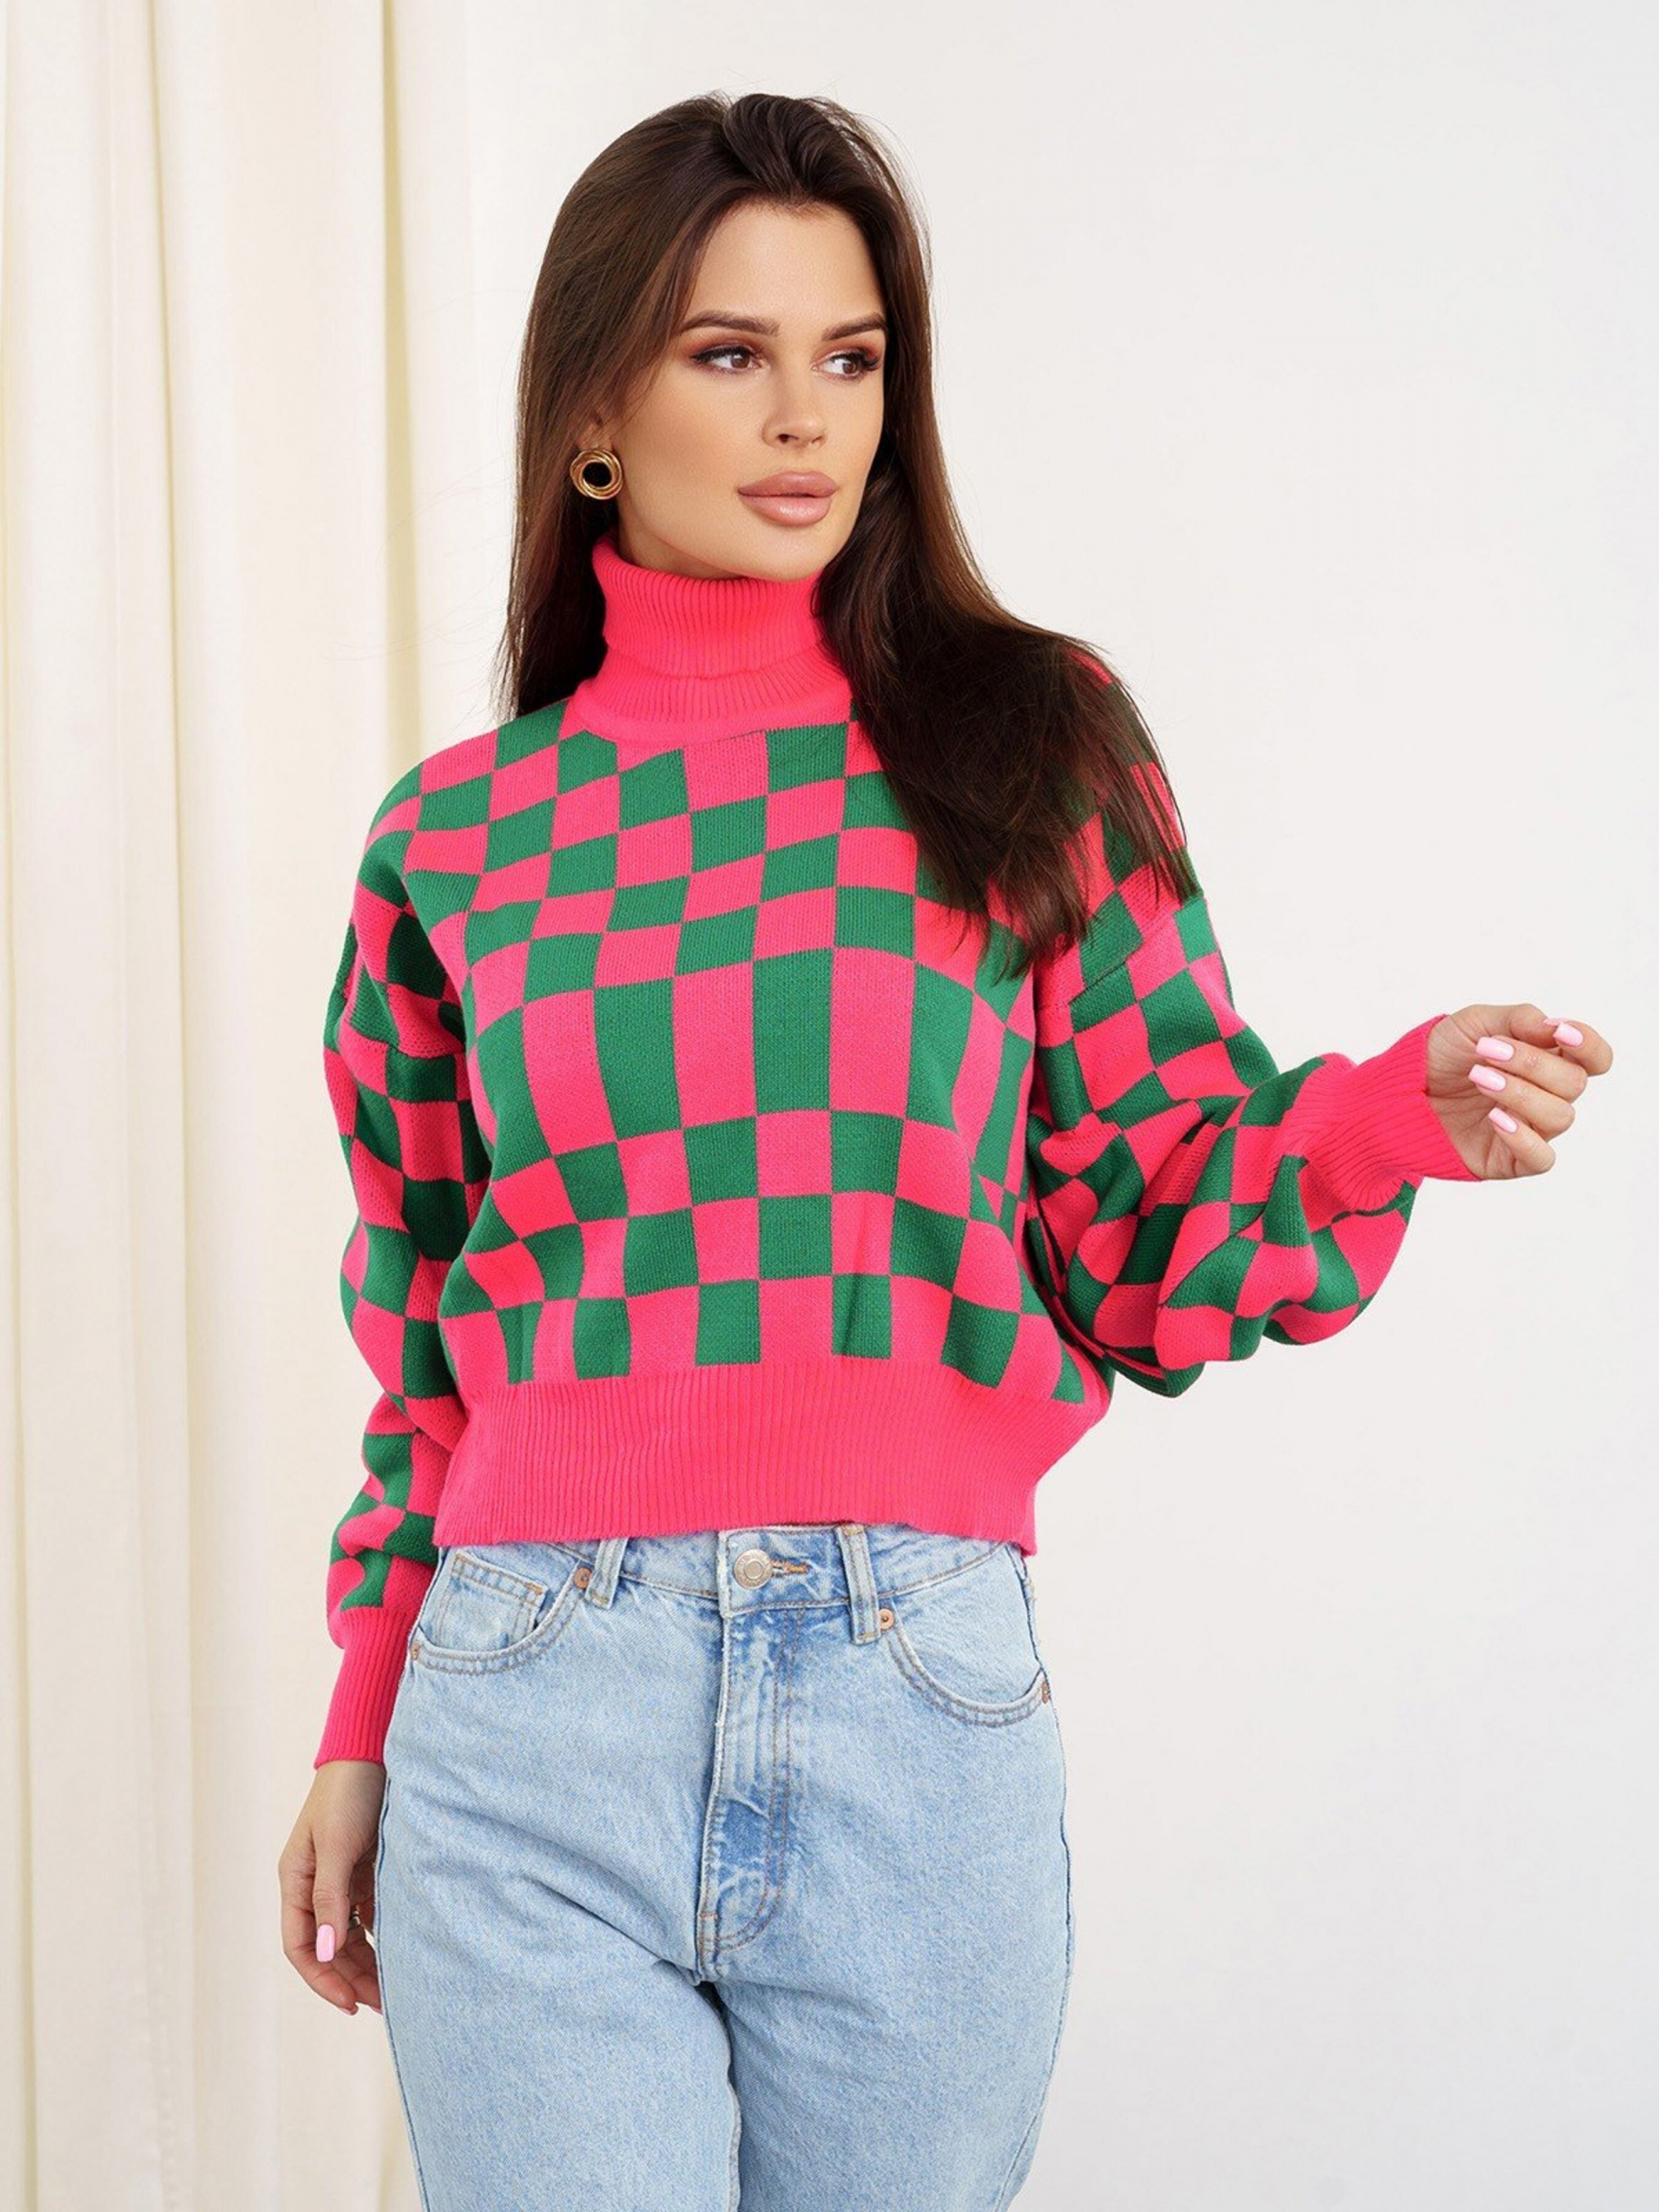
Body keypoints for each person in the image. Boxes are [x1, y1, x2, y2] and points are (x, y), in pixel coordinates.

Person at [276, 89, 1610, 2211]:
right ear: (595, 414)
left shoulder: (1027, 743)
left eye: (852, 354)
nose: (806, 416)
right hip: (525, 1709)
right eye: (730, 352)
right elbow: (427, 1338)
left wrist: (1383, 1116)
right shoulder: (454, 840)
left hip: (910, 1704)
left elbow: (1150, 1216)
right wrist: (361, 1715)